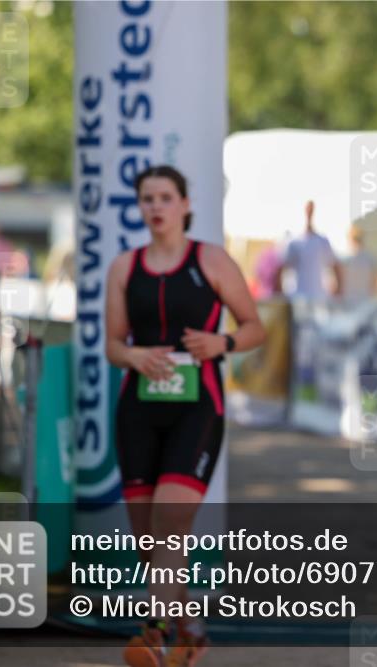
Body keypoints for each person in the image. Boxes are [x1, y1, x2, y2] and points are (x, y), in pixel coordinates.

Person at [105, 165, 265, 667]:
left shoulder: (210, 260)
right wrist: (134, 356)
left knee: (171, 518)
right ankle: (190, 630)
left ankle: (151, 633)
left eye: (165, 197)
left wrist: (222, 342)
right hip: (138, 409)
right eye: (147, 198)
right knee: (149, 537)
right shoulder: (124, 267)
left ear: (184, 204)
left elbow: (256, 327)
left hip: (198, 407)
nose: (156, 207)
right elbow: (112, 342)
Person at [279, 200, 342, 300]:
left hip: (318, 298)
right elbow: (282, 268)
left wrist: (338, 290)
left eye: (311, 209)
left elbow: (335, 265)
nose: (309, 213)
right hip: (297, 298)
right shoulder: (293, 242)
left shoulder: (323, 241)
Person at [339, 223, 377, 302]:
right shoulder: (371, 258)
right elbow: (375, 282)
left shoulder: (344, 258)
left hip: (348, 300)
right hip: (364, 299)